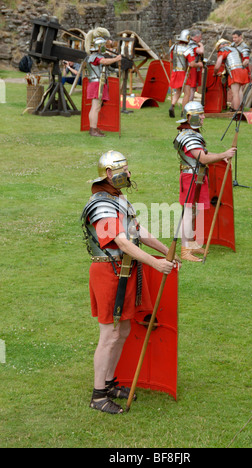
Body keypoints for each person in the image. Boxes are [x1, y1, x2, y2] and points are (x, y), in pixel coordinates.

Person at [81, 150, 177, 414]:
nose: (130, 174)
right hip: (107, 273)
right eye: (125, 170)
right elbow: (121, 242)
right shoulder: (99, 205)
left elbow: (137, 232)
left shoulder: (118, 199)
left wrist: (165, 251)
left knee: (122, 332)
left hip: (124, 271)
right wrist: (155, 263)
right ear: (110, 174)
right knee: (109, 335)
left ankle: (110, 383)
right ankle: (98, 395)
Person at [174, 101, 236, 262]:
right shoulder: (187, 136)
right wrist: (223, 154)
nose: (203, 117)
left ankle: (191, 242)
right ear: (190, 117)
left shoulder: (191, 133)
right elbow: (202, 158)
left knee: (195, 211)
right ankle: (185, 249)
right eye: (200, 114)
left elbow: (202, 154)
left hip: (197, 176)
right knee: (188, 212)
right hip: (191, 177)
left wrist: (222, 156)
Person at [85, 27, 122, 137]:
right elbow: (104, 61)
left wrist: (117, 66)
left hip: (98, 83)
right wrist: (115, 59)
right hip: (97, 83)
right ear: (99, 46)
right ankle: (93, 129)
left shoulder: (95, 56)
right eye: (104, 46)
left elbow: (107, 67)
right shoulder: (94, 57)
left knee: (96, 107)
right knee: (95, 107)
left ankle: (94, 128)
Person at [214, 38, 250, 111]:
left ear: (220, 46)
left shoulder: (223, 50)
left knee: (235, 93)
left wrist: (215, 72)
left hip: (235, 71)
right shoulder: (235, 49)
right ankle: (235, 108)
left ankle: (236, 112)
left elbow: (218, 65)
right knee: (239, 91)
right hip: (242, 70)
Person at [168, 29, 190, 118]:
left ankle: (172, 105)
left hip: (175, 71)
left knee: (178, 91)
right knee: (187, 93)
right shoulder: (187, 48)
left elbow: (170, 60)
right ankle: (183, 111)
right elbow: (190, 62)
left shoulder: (174, 47)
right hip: (183, 72)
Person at [183, 29, 204, 105]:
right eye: (200, 37)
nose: (200, 39)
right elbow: (200, 51)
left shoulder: (191, 44)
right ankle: (189, 103)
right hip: (192, 68)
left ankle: (190, 102)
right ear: (195, 37)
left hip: (194, 67)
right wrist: (201, 45)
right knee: (192, 86)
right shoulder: (193, 45)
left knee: (193, 87)